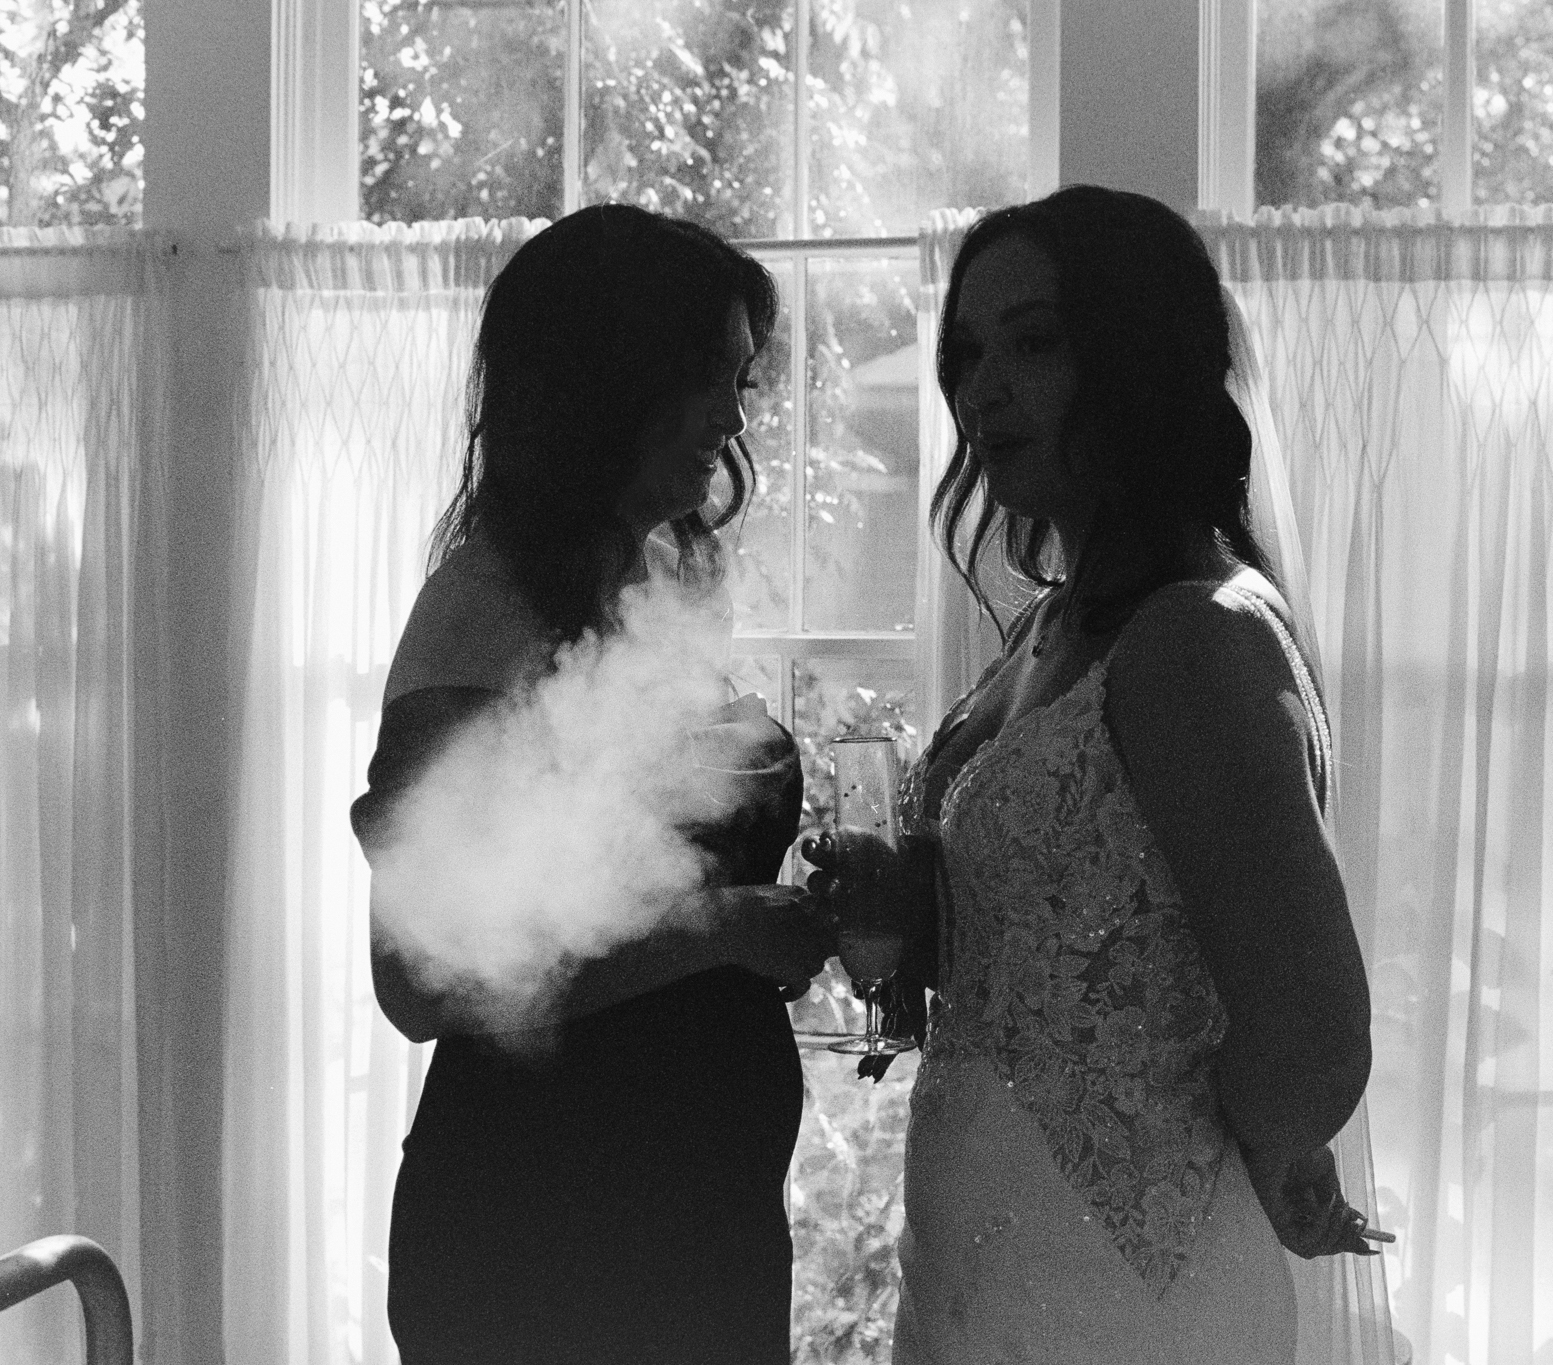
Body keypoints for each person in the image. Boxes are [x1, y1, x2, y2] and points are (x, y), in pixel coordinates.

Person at [807, 185, 1380, 1363]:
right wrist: (911, 908)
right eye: (966, 355)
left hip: (1125, 1286)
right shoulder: (1047, 626)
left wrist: (1250, 1149)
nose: (981, 390)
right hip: (971, 1257)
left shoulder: (1195, 637)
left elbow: (1313, 1040)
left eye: (1032, 344)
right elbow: (1057, 945)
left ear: (1135, 361)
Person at [349, 204, 833, 1365]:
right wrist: (726, 928)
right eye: (707, 378)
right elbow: (421, 982)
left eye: (739, 381)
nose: (732, 418)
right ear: (604, 385)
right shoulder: (482, 613)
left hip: (694, 1216)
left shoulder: (663, 576)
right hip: (545, 1227)